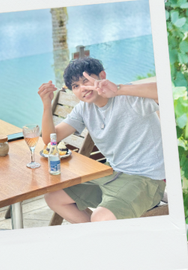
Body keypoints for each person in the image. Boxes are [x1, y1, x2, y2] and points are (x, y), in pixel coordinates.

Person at [38, 57, 165, 223]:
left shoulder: (128, 97)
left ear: (102, 76)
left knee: (101, 218)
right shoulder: (83, 109)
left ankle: (103, 235)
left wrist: (118, 89)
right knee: (54, 197)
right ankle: (101, 237)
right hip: (112, 173)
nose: (82, 88)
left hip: (147, 179)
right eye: (76, 86)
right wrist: (47, 105)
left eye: (86, 81)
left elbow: (166, 91)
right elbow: (50, 140)